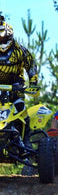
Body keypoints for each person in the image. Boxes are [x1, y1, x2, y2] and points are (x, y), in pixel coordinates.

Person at [0, 15, 40, 148]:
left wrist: (33, 82)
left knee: (20, 108)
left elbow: (31, 65)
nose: (2, 42)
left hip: (15, 84)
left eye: (4, 39)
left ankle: (26, 140)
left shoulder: (19, 50)